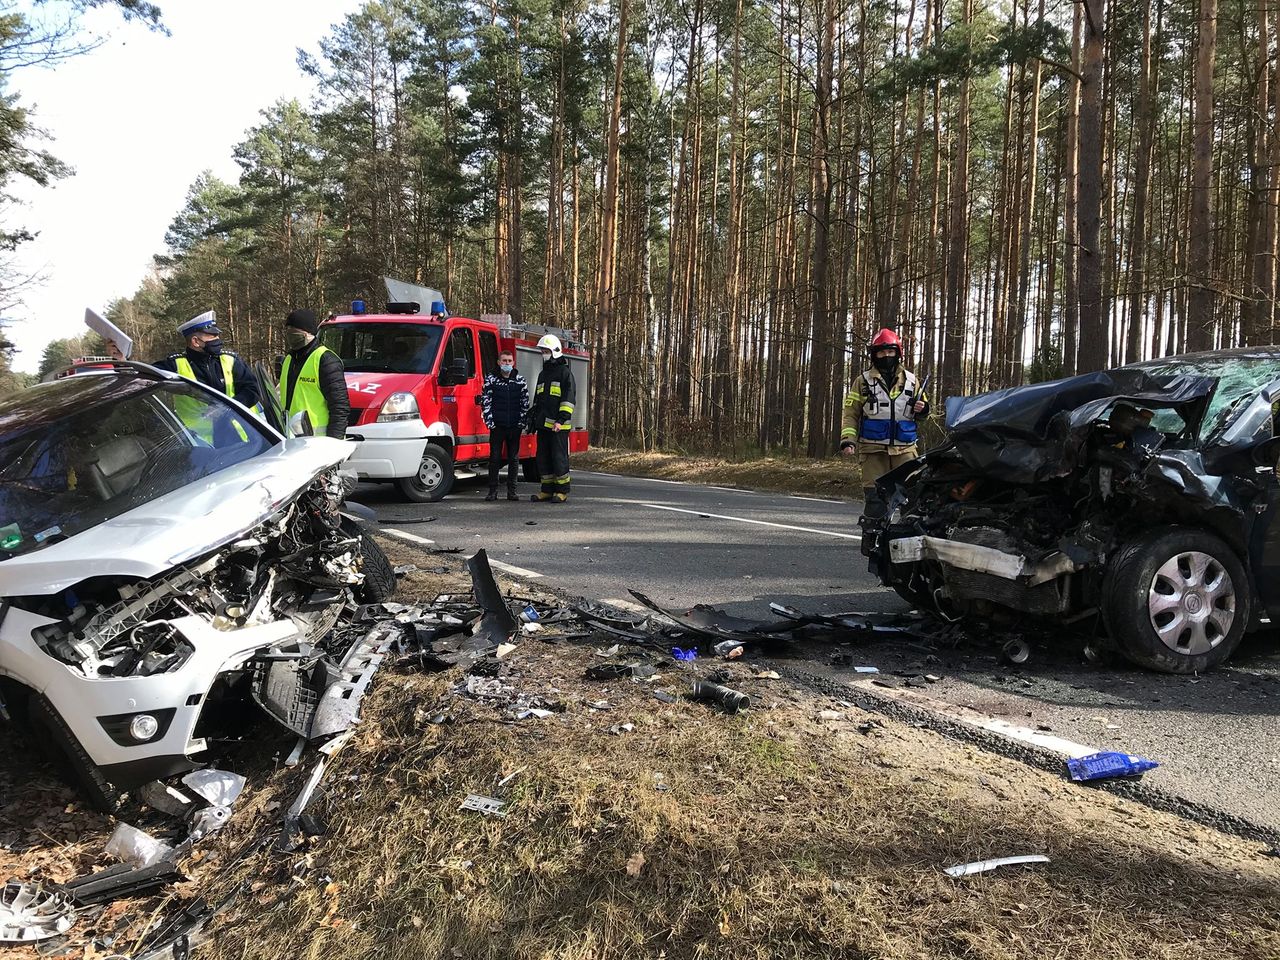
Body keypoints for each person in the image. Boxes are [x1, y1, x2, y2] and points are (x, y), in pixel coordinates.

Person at [839, 328, 929, 496]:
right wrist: (848, 441)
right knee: (875, 500)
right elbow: (851, 414)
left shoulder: (912, 381)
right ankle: (875, 522)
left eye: (890, 351)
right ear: (875, 355)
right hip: (873, 451)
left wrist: (923, 409)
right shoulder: (862, 382)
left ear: (898, 353)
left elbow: (923, 412)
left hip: (905, 450)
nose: (886, 356)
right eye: (881, 352)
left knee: (911, 499)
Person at [154, 311, 260, 444]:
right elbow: (142, 377)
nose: (218, 339)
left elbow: (252, 390)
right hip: (201, 445)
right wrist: (123, 361)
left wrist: (227, 408)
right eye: (213, 336)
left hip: (245, 438)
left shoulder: (230, 360)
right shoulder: (175, 365)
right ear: (195, 341)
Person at [278, 308, 350, 440]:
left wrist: (334, 442)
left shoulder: (325, 360)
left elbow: (339, 407)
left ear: (307, 332)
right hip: (292, 440)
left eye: (294, 331)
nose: (290, 335)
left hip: (318, 444)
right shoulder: (289, 360)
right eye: (288, 330)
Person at [528, 334, 575, 503]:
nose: (543, 354)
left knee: (558, 457)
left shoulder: (564, 374)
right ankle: (546, 490)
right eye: (542, 351)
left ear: (555, 351)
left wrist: (560, 420)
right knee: (543, 457)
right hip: (543, 425)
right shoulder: (543, 374)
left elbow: (568, 400)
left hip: (558, 427)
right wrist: (533, 419)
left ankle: (562, 491)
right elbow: (538, 399)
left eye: (545, 351)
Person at [481, 349, 530, 501]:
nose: (507, 364)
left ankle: (512, 491)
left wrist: (521, 422)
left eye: (509, 361)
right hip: (497, 426)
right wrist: (490, 423)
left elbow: (525, 403)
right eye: (504, 361)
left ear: (513, 363)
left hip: (514, 426)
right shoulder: (490, 379)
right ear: (499, 362)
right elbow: (486, 402)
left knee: (513, 459)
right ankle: (492, 491)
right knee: (494, 458)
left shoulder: (520, 381)